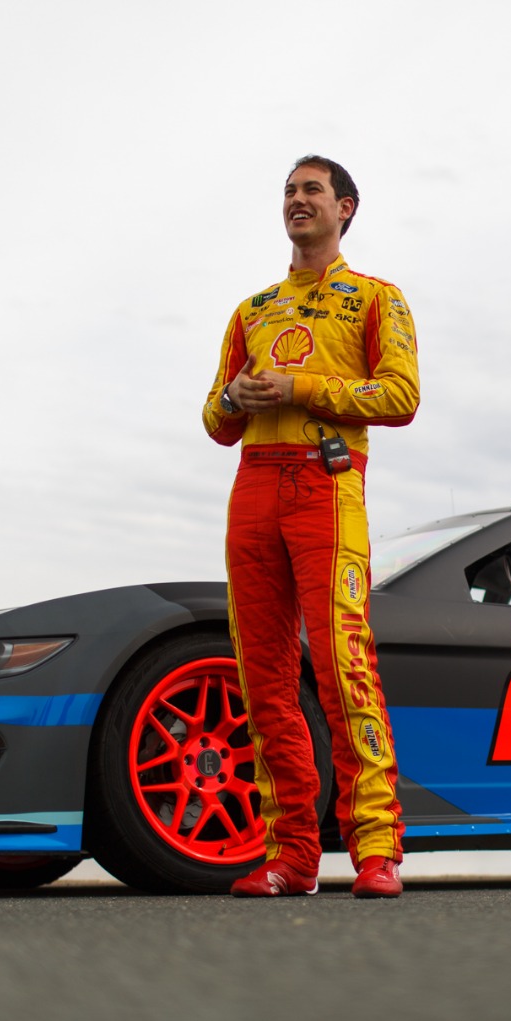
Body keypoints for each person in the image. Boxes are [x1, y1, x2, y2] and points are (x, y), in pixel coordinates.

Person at [201, 155, 419, 899]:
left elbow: (401, 394)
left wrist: (300, 387)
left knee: (341, 664)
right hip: (254, 486)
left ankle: (376, 850)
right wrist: (236, 392)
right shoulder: (251, 309)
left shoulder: (376, 298)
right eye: (289, 191)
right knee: (262, 679)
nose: (298, 201)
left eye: (312, 191)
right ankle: (291, 856)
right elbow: (213, 421)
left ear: (345, 208)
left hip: (327, 485)